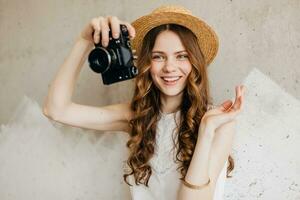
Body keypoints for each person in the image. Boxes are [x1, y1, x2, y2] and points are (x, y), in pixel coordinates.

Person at [43, 5, 245, 200]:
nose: (169, 67)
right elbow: (55, 110)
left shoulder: (218, 123)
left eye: (181, 56)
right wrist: (84, 40)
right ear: (147, 63)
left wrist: (206, 130)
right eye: (158, 57)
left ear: (195, 63)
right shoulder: (135, 117)